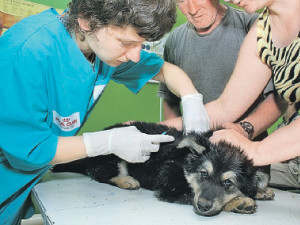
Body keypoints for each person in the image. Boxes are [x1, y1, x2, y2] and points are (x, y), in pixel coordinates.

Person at [0, 0, 208, 224]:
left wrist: (191, 97)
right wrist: (105, 142)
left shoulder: (100, 48)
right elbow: (28, 149)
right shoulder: (26, 51)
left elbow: (165, 70)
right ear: (87, 20)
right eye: (126, 43)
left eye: (142, 43)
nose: (135, 56)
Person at [162, 0, 299, 167]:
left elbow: (277, 102)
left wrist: (256, 149)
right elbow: (224, 109)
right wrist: (144, 129)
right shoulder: (262, 32)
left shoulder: (247, 24)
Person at [157, 0, 274, 138]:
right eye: (182, 1)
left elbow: (276, 99)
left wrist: (245, 129)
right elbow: (170, 101)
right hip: (197, 147)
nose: (193, 9)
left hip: (249, 143)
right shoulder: (174, 40)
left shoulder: (253, 27)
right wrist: (176, 139)